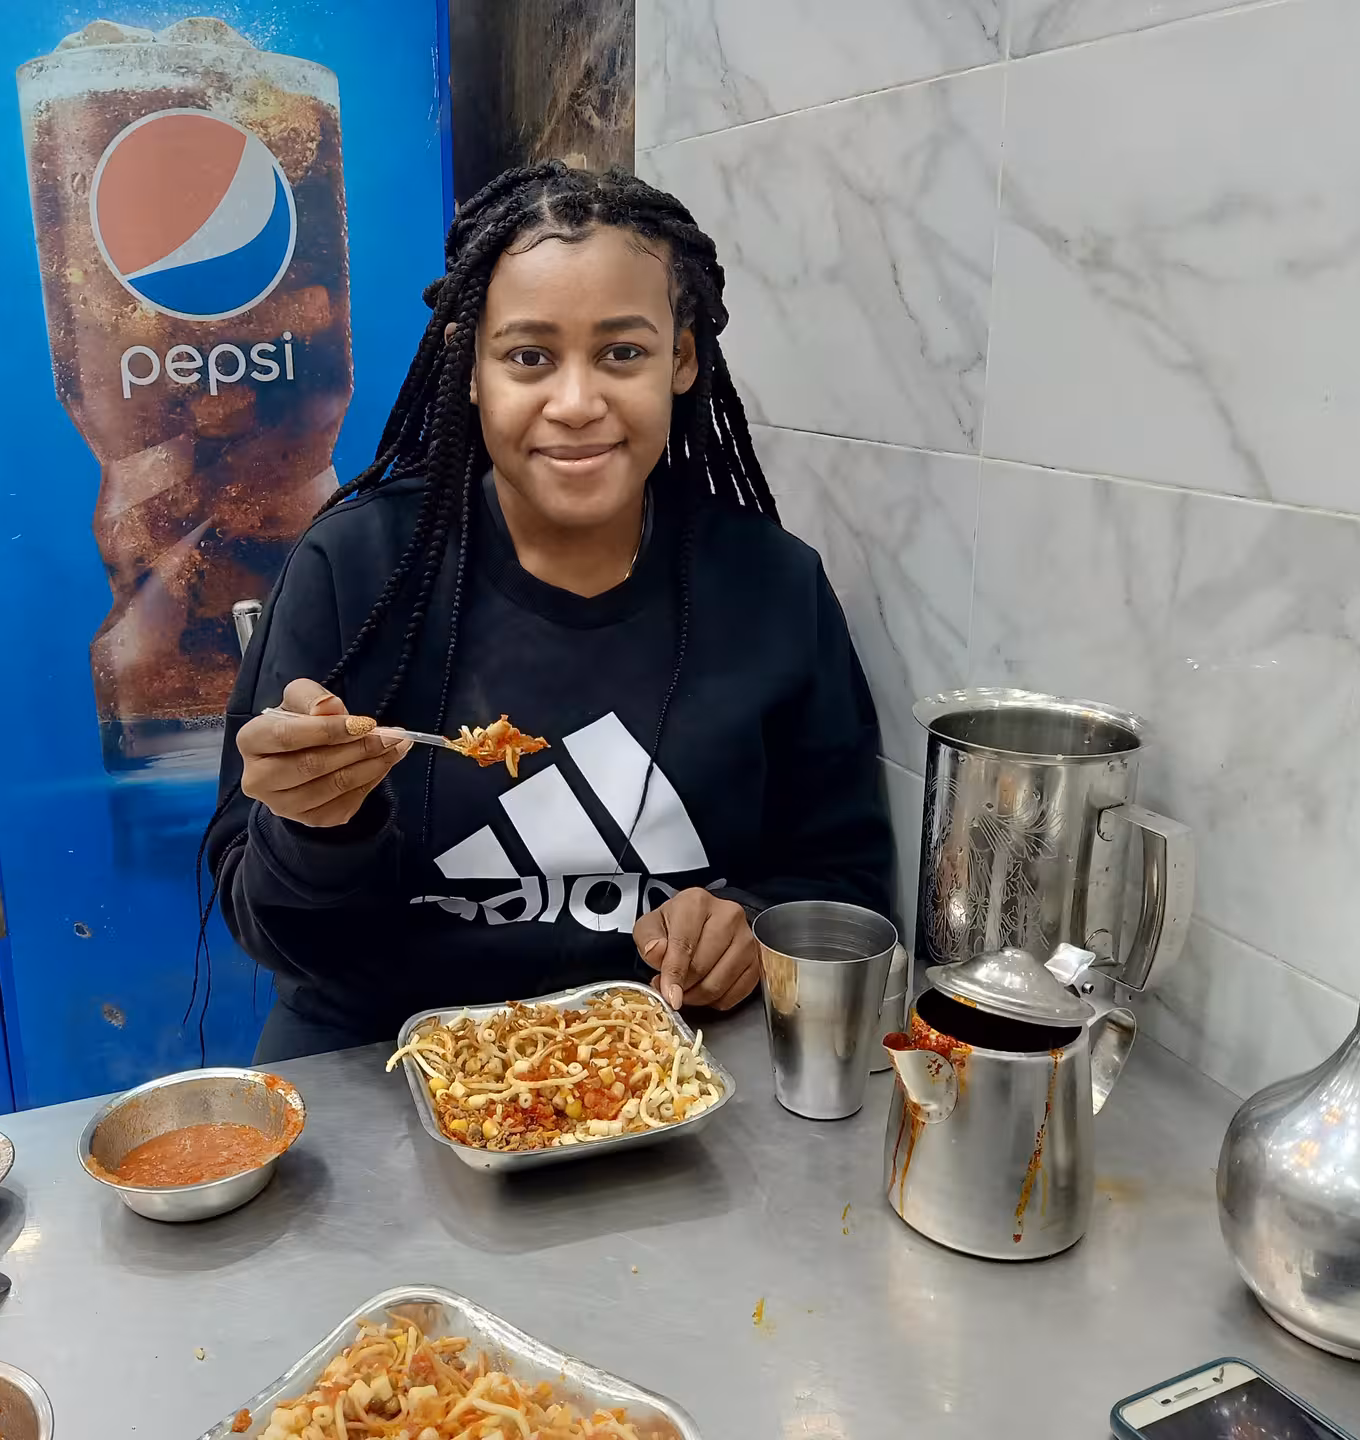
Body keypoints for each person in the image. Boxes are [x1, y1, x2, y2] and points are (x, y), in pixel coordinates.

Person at [207, 163, 892, 1063]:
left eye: (623, 353)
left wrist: (751, 924)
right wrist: (314, 827)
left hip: (668, 1075)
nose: (576, 404)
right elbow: (273, 933)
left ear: (682, 358)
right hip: (378, 1064)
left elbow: (847, 881)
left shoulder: (773, 586)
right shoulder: (357, 569)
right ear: (471, 368)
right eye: (529, 357)